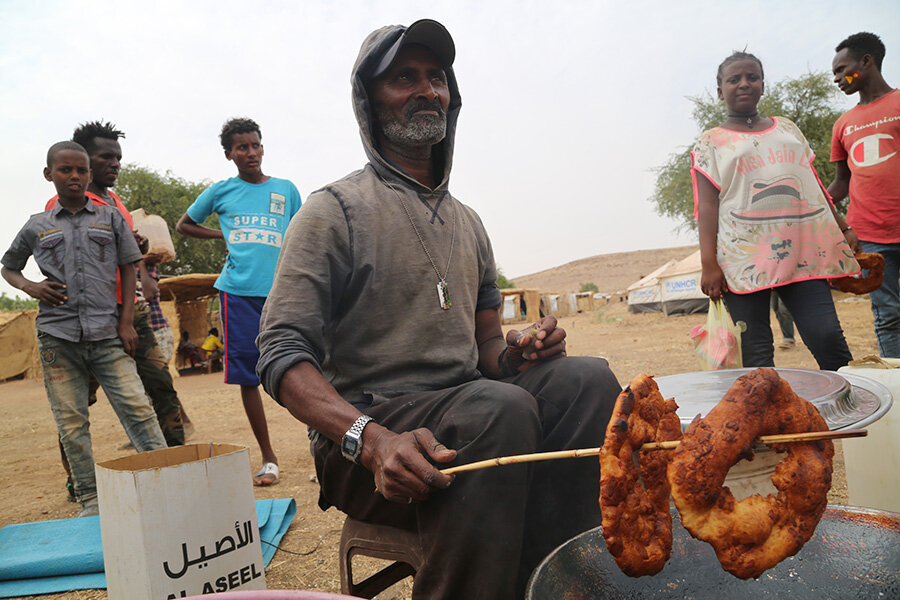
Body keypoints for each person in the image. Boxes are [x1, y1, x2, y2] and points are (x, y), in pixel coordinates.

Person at [256, 20, 621, 599]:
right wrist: (369, 440)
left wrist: (522, 351)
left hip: (476, 416)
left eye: (437, 77)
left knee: (588, 379)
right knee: (497, 409)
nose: (428, 90)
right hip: (367, 443)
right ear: (368, 100)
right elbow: (278, 356)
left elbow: (488, 354)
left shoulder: (469, 223)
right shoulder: (334, 212)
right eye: (405, 77)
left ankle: (560, 580)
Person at [2, 142, 167, 516]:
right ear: (50, 175)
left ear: (89, 175)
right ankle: (90, 501)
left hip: (108, 334)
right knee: (72, 423)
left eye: (80, 170)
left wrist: (126, 322)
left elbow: (129, 265)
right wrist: (30, 286)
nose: (74, 176)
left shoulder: (109, 218)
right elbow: (8, 266)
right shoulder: (36, 226)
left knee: (139, 409)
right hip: (57, 338)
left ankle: (166, 482)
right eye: (65, 170)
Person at [693, 51, 858, 370]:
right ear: (719, 91)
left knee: (827, 338)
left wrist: (844, 227)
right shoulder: (710, 141)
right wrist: (708, 263)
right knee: (755, 352)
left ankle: (850, 415)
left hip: (803, 251)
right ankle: (766, 418)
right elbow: (708, 205)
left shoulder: (787, 128)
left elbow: (812, 185)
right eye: (734, 79)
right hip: (743, 259)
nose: (744, 84)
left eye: (752, 77)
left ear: (763, 85)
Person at [46, 121, 188, 448]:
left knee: (161, 386)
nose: (115, 164)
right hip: (89, 319)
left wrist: (136, 249)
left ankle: (177, 461)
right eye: (105, 157)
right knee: (78, 402)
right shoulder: (61, 206)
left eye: (118, 158)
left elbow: (125, 251)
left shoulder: (116, 202)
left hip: (130, 311)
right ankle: (77, 479)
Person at [176, 118, 302, 486]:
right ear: (229, 154)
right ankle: (269, 458)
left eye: (255, 145)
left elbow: (300, 234)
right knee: (250, 375)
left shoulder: (285, 190)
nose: (250, 153)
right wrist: (222, 234)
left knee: (308, 363)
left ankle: (327, 441)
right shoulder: (221, 191)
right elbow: (185, 224)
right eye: (241, 147)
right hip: (239, 293)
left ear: (263, 147)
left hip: (284, 291)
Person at [827, 32, 900, 358]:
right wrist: (815, 207)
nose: (838, 79)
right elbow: (842, 182)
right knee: (888, 316)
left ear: (866, 62)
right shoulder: (843, 124)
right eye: (835, 74)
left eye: (843, 70)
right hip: (870, 235)